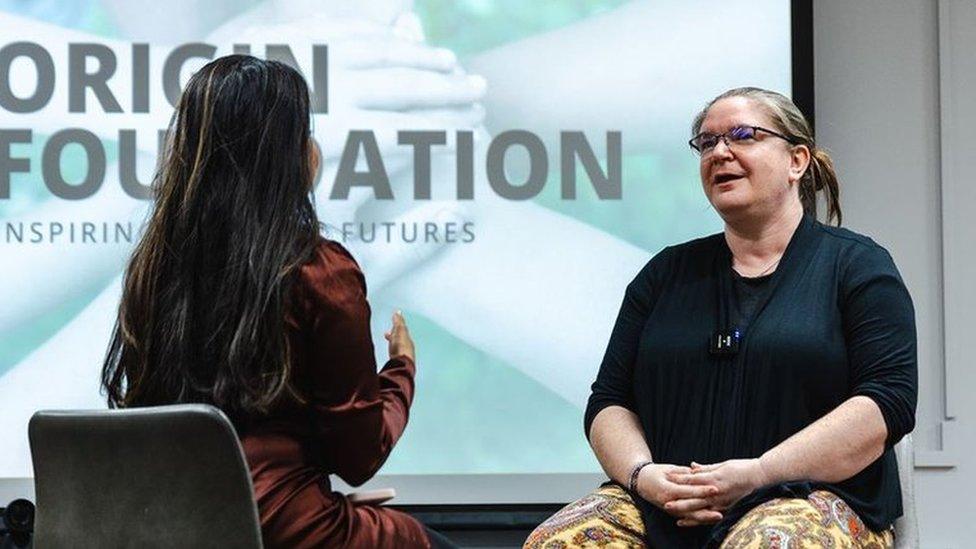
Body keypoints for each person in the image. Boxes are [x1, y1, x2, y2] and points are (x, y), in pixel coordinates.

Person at [525, 87, 917, 548]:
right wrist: (642, 476)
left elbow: (886, 403)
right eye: (707, 143)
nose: (720, 152)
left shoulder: (858, 267)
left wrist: (758, 474)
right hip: (666, 506)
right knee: (558, 542)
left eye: (743, 135)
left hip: (811, 498)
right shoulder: (665, 274)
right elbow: (610, 401)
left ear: (797, 161)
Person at [99, 55, 455, 548]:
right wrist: (402, 369)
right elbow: (359, 457)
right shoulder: (319, 272)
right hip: (289, 531)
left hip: (177, 528)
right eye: (304, 133)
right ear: (286, 157)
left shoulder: (154, 269)